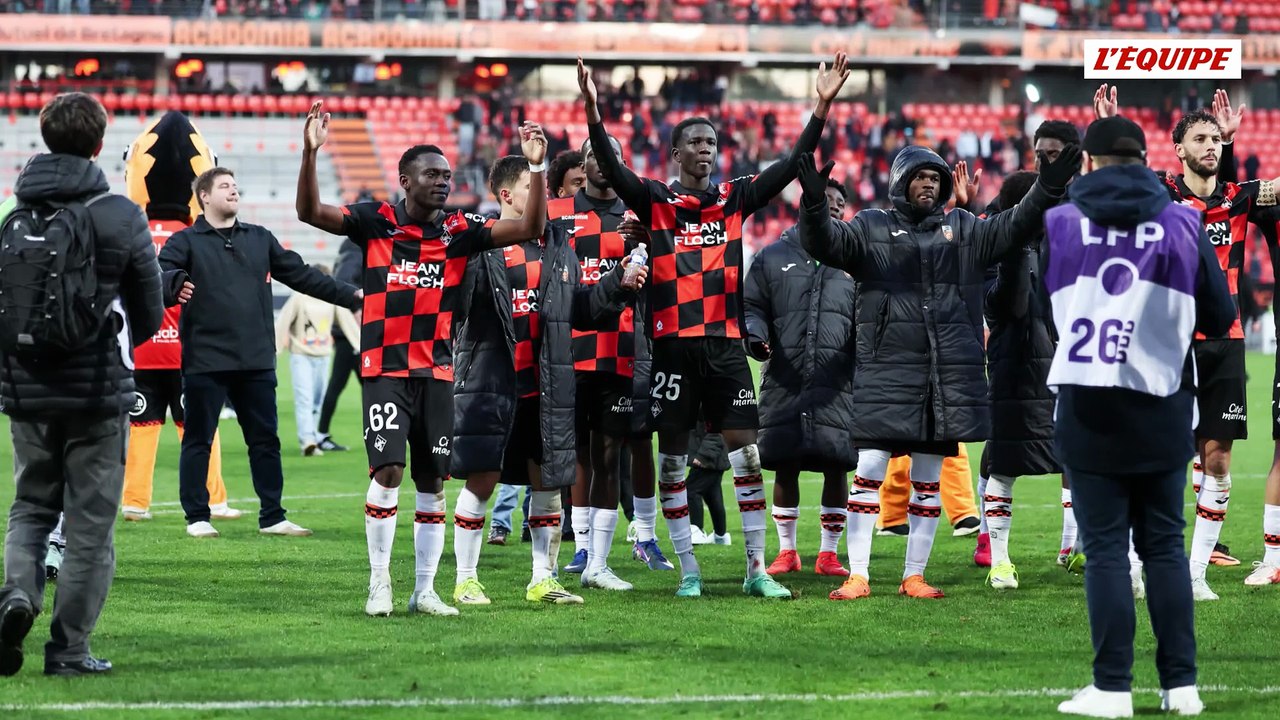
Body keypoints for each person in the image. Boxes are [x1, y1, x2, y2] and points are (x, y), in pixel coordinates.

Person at [578, 52, 851, 599]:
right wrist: (592, 110)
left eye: (712, 143)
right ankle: (690, 573)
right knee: (674, 462)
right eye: (696, 143)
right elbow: (610, 163)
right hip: (674, 349)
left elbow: (794, 161)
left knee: (746, 455)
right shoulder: (654, 199)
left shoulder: (734, 198)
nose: (706, 150)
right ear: (676, 152)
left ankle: (755, 570)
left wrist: (821, 105)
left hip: (725, 347)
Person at [795, 136, 1081, 601]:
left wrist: (1046, 187)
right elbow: (824, 242)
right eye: (920, 178)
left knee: (928, 482)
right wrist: (811, 201)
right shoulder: (870, 226)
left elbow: (1015, 224)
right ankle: (860, 574)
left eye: (935, 178)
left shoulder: (965, 229)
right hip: (885, 372)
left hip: (941, 378)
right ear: (900, 183)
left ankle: (914, 575)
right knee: (868, 470)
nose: (928, 185)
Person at [295, 101, 550, 616]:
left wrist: (539, 169)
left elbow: (526, 228)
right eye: (431, 174)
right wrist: (310, 152)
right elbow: (309, 214)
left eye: (447, 175)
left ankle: (425, 589)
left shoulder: (460, 232)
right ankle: (379, 583)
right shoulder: (375, 221)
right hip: (385, 369)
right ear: (404, 179)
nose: (442, 181)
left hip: (437, 371)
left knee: (432, 482)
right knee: (388, 470)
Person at [1048, 115, 1232, 720]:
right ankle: (1182, 687)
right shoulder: (1182, 221)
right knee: (1165, 550)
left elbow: (1051, 307)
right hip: (1162, 402)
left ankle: (1112, 689)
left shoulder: (1062, 222)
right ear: (1147, 156)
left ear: (1089, 163)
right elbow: (1221, 309)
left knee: (1104, 551)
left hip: (1089, 405)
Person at [0, 92, 168, 677]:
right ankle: (68, 651)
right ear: (99, 144)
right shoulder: (120, 214)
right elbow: (150, 313)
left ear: (46, 140)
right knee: (90, 529)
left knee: (29, 507)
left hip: (25, 389)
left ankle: (17, 594)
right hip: (97, 392)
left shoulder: (15, 214)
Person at [449, 154, 645, 605]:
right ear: (506, 196)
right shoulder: (481, 246)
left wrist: (617, 283)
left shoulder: (557, 243)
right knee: (481, 481)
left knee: (549, 484)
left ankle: (543, 578)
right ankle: (465, 579)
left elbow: (579, 309)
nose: (540, 195)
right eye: (529, 186)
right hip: (491, 386)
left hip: (548, 387)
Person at [160, 165, 360, 539]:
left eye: (236, 186)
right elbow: (160, 273)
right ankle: (197, 517)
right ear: (204, 196)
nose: (234, 191)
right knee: (198, 438)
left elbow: (302, 275)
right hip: (205, 358)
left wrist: (350, 295)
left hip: (254, 359)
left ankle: (272, 516)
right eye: (224, 187)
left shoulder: (259, 238)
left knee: (265, 440)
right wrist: (174, 282)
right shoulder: (185, 241)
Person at [550, 135, 659, 587]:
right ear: (583, 161)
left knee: (611, 451)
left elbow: (661, 277)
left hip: (622, 349)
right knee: (575, 453)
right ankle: (580, 547)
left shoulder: (640, 216)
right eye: (593, 155)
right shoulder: (557, 214)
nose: (601, 163)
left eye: (608, 154)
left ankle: (600, 561)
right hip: (568, 351)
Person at [119, 111, 238, 524]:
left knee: (141, 426)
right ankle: (214, 500)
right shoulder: (198, 237)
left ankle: (135, 501)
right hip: (190, 352)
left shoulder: (129, 235)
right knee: (200, 429)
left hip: (142, 351)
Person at [743, 177, 855, 578]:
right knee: (784, 463)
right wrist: (755, 336)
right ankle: (787, 550)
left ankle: (829, 553)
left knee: (837, 463)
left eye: (840, 203)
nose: (835, 207)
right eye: (826, 200)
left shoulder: (856, 260)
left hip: (839, 383)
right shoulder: (772, 257)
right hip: (784, 377)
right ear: (805, 203)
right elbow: (751, 306)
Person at [274, 263, 361, 456]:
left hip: (323, 355)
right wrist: (276, 347)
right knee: (304, 398)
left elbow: (347, 322)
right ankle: (308, 441)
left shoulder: (330, 300)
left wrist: (360, 345)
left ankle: (313, 435)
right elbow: (283, 321)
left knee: (317, 400)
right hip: (301, 355)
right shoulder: (299, 298)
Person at [315, 236, 363, 452]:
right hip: (352, 335)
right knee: (374, 386)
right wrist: (357, 311)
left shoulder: (349, 251)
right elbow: (346, 285)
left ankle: (321, 433)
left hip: (349, 334)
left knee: (368, 386)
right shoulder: (355, 252)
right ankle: (321, 434)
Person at [686, 424, 730, 545]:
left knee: (691, 490)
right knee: (712, 493)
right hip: (715, 456)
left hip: (709, 457)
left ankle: (696, 531)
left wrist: (702, 456)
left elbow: (716, 432)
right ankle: (720, 536)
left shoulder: (710, 406)